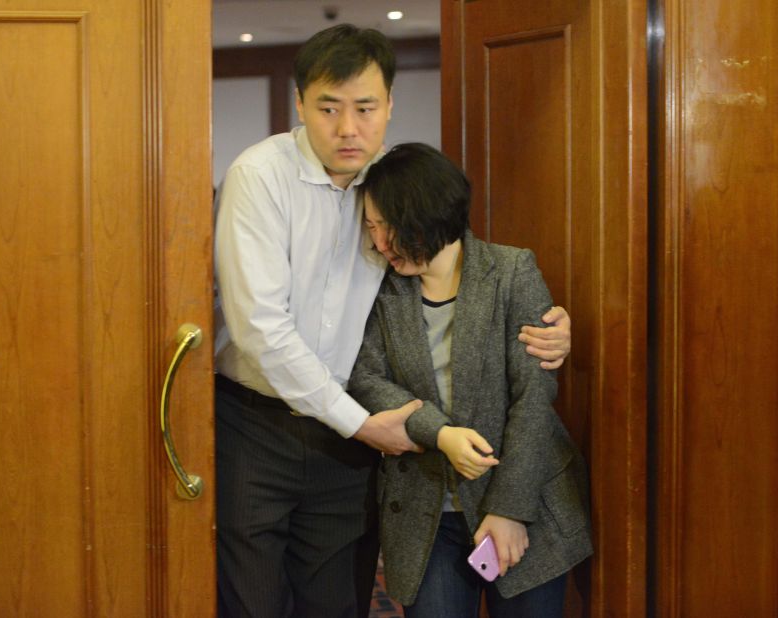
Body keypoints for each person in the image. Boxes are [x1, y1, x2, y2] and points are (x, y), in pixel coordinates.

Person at [214, 25, 573, 618]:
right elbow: (261, 329)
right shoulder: (260, 176)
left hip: (348, 442)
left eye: (365, 108)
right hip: (262, 422)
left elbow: (463, 264)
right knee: (252, 598)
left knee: (338, 599)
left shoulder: (390, 181)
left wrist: (550, 325)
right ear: (300, 103)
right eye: (328, 109)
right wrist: (361, 422)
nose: (348, 128)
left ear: (389, 106)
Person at [348, 143, 593, 617]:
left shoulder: (510, 271)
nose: (379, 243)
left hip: (526, 499)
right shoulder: (381, 286)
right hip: (426, 511)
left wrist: (510, 510)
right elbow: (365, 377)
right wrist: (437, 431)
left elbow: (532, 398)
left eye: (389, 227)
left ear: (429, 215)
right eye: (371, 227)